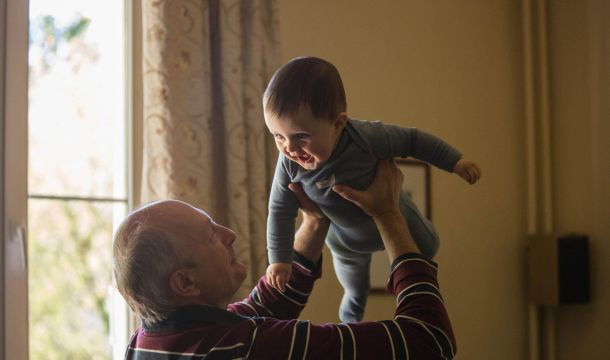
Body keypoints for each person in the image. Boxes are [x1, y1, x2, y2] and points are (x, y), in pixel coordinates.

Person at [113, 159, 456, 359]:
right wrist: (388, 215)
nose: (228, 234)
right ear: (185, 283)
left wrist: (314, 222)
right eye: (210, 235)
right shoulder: (247, 348)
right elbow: (429, 340)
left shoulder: (148, 342)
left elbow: (267, 305)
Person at [264, 56, 481, 322]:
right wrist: (279, 259)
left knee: (429, 246)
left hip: (395, 212)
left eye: (301, 136)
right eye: (277, 136)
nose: (289, 148)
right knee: (355, 288)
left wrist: (455, 162)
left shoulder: (366, 137)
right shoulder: (288, 164)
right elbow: (279, 211)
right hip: (345, 241)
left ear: (338, 124)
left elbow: (413, 140)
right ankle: (350, 320)